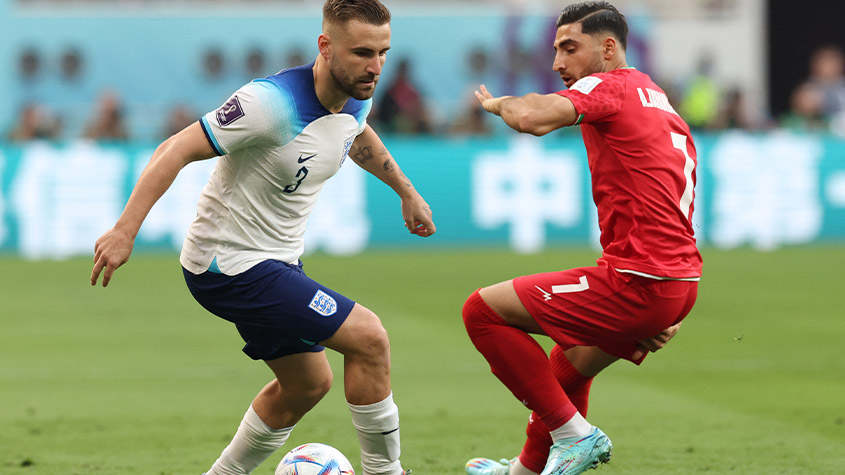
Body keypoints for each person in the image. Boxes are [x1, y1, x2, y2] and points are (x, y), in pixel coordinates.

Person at [89, 1, 434, 474]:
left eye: (382, 52)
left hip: (276, 264)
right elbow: (175, 149)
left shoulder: (358, 90)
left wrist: (406, 192)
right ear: (325, 47)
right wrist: (125, 230)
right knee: (369, 339)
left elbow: (356, 134)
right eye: (361, 52)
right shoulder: (268, 104)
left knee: (307, 385)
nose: (374, 66)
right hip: (229, 266)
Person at [462, 3, 702, 475]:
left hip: (639, 278)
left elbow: (532, 118)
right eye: (555, 50)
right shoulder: (656, 97)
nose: (558, 63)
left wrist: (497, 105)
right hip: (676, 280)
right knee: (569, 364)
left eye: (569, 48)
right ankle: (526, 471)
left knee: (483, 312)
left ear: (608, 48)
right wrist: (669, 296)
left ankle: (576, 437)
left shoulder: (608, 85)